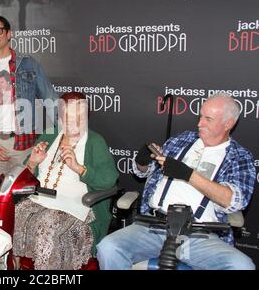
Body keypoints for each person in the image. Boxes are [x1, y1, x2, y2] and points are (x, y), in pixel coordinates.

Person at [97, 93, 256, 270]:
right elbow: (147, 172)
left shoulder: (239, 157)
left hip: (200, 235)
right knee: (108, 247)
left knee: (242, 265)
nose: (199, 123)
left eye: (208, 119)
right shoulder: (182, 140)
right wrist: (143, 163)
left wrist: (189, 175)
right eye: (200, 116)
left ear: (228, 124)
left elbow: (234, 201)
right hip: (155, 227)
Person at [12, 92, 119, 269]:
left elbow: (109, 180)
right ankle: (13, 265)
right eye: (68, 116)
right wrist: (32, 162)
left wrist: (79, 168)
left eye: (79, 116)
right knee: (14, 211)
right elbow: (25, 175)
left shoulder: (94, 141)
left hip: (77, 207)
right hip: (40, 199)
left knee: (47, 224)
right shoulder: (50, 135)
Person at [0, 13, 58, 196]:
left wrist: (63, 132)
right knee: (1, 201)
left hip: (24, 146)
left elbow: (50, 99)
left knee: (25, 199)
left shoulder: (29, 64)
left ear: (9, 34)